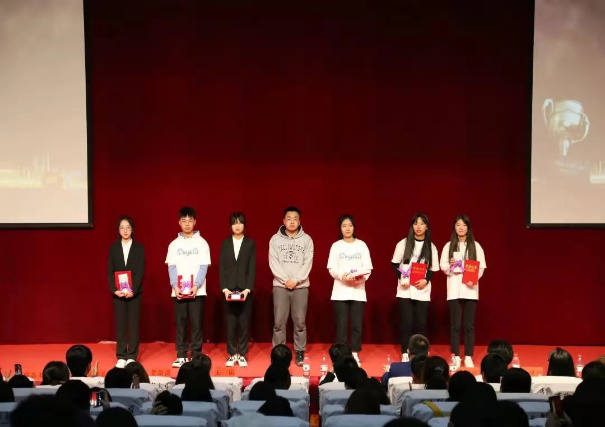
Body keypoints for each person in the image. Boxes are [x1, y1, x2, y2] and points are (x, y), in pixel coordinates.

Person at [166, 206, 211, 368]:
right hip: (178, 291)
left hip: (197, 291)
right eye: (184, 221)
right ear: (179, 222)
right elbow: (171, 266)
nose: (187, 224)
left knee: (196, 323)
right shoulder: (173, 244)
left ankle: (196, 354)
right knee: (181, 323)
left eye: (189, 221)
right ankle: (181, 354)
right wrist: (175, 286)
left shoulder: (202, 243)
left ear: (195, 222)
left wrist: (196, 285)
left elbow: (204, 266)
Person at [269, 206, 314, 366]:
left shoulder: (307, 240)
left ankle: (300, 351)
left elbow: (307, 262)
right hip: (280, 287)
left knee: (300, 322)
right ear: (284, 221)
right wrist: (284, 280)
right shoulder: (275, 239)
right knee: (279, 322)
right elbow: (273, 262)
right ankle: (278, 352)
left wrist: (296, 280)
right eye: (289, 218)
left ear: (299, 221)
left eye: (295, 219)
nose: (292, 221)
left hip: (300, 287)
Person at [440, 214, 486, 369]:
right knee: (455, 325)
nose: (461, 228)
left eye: (464, 225)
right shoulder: (448, 246)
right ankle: (456, 356)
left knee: (469, 325)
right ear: (454, 227)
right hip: (454, 289)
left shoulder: (476, 246)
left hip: (470, 289)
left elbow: (481, 267)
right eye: (458, 225)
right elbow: (443, 266)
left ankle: (468, 356)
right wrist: (451, 265)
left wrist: (474, 277)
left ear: (468, 228)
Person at [391, 213, 439, 360]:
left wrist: (426, 280)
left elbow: (433, 269)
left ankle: (420, 353)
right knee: (406, 324)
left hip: (422, 290)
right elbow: (394, 264)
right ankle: (405, 353)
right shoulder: (403, 243)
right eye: (416, 223)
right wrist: (402, 277)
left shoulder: (431, 247)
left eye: (422, 224)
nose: (418, 227)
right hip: (405, 290)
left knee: (421, 324)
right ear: (412, 226)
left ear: (426, 227)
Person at [327, 215, 373, 365]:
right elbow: (332, 268)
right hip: (340, 291)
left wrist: (358, 278)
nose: (347, 228)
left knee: (356, 325)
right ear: (340, 228)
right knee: (341, 325)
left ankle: (354, 353)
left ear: (354, 227)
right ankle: (341, 355)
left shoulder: (362, 245)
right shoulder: (336, 246)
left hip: (358, 291)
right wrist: (343, 276)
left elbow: (368, 268)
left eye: (350, 225)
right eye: (344, 226)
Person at [107, 216, 145, 368]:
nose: (125, 230)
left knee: (133, 325)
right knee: (121, 325)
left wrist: (133, 290)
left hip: (134, 293)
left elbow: (140, 271)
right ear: (118, 230)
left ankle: (132, 355)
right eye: (122, 228)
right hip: (119, 293)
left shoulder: (139, 248)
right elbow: (110, 271)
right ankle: (121, 355)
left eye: (128, 227)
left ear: (132, 229)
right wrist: (114, 290)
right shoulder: (113, 248)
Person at [219, 212, 256, 367]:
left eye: (240, 222)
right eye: (234, 223)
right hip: (229, 290)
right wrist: (224, 289)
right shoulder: (225, 244)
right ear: (230, 226)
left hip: (244, 290)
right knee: (231, 323)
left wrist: (248, 289)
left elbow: (252, 268)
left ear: (244, 225)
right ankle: (232, 353)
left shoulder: (250, 244)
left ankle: (242, 354)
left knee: (243, 323)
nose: (237, 226)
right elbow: (222, 267)